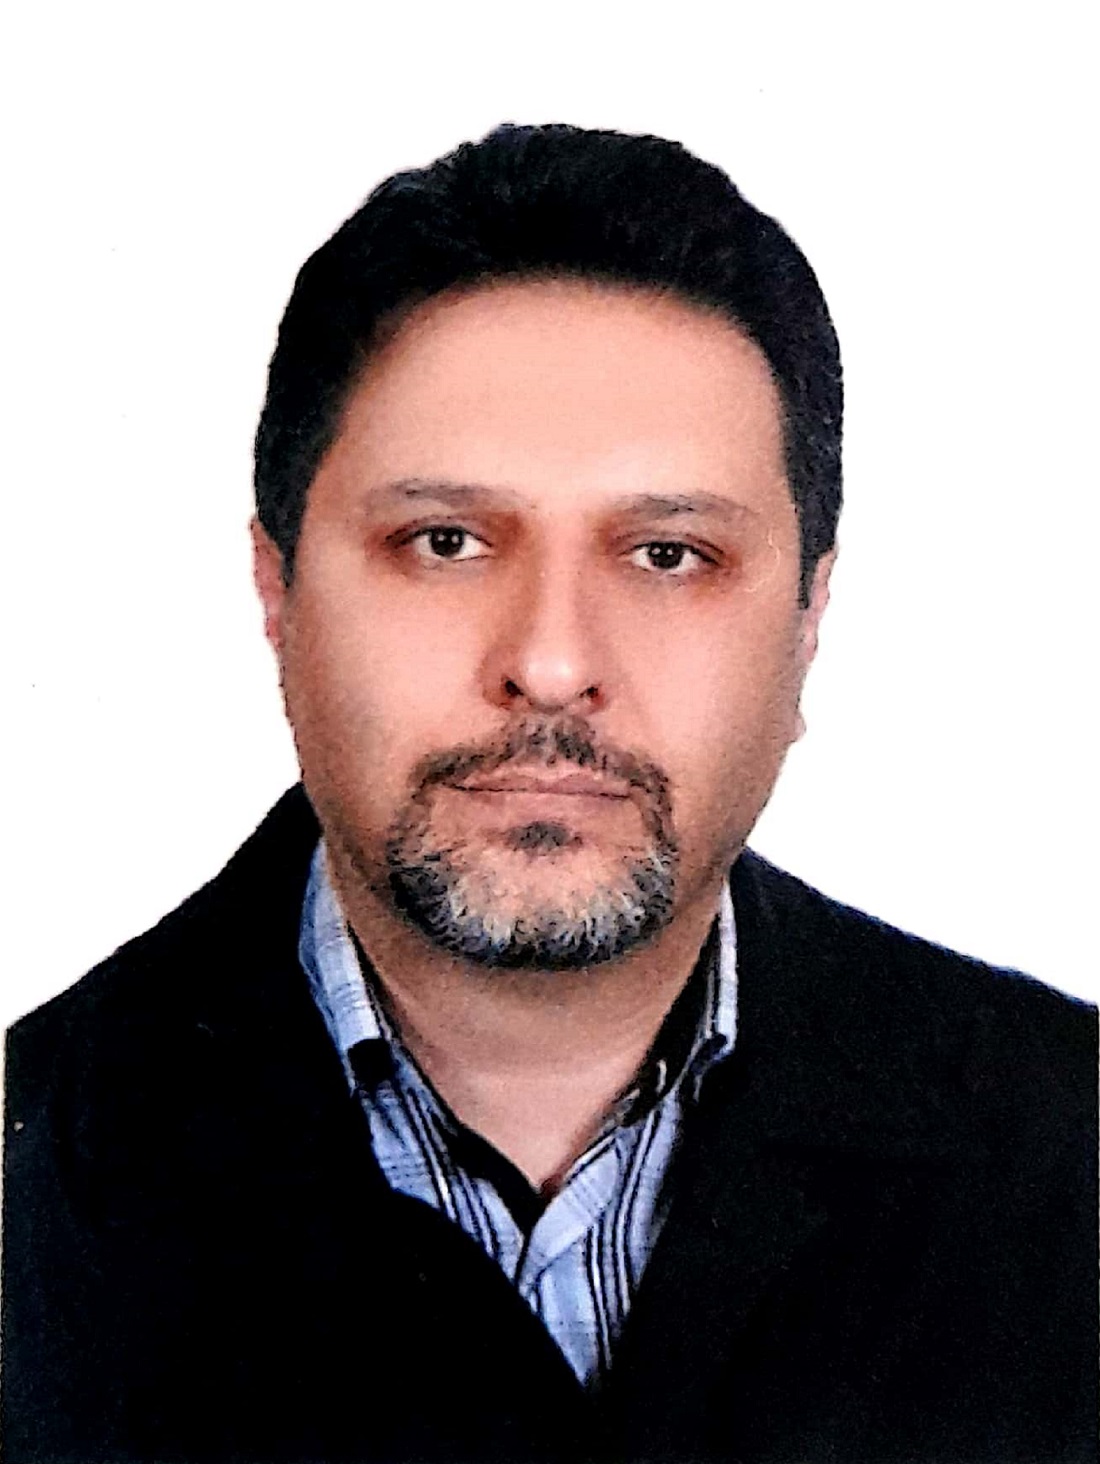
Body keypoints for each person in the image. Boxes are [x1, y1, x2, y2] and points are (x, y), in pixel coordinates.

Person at [3, 123, 1095, 1464]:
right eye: (445, 542)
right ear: (276, 593)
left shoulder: (1071, 1152)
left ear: (809, 623)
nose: (554, 663)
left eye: (669, 554)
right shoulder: (25, 1173)